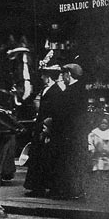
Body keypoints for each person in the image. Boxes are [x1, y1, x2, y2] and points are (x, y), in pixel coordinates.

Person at [24, 65, 63, 195]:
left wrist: (47, 129)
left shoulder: (56, 91)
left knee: (44, 159)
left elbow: (53, 112)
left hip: (45, 128)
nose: (41, 78)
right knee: (37, 157)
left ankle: (42, 187)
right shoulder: (46, 90)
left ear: (49, 77)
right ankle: (37, 187)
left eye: (44, 75)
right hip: (40, 126)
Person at [51, 63, 87, 199]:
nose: (62, 77)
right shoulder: (78, 90)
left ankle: (68, 191)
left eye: (63, 74)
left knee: (68, 163)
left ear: (69, 74)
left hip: (69, 134)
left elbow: (63, 112)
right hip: (71, 134)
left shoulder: (72, 91)